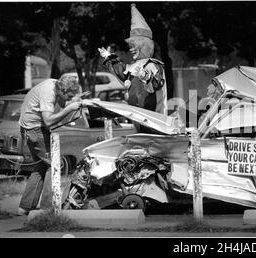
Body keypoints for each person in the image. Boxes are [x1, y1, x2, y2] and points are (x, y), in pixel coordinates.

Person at [17, 76, 82, 215]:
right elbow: (48, 121)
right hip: (35, 129)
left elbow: (61, 103)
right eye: (68, 96)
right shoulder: (48, 93)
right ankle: (47, 209)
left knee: (40, 167)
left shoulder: (55, 85)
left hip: (30, 128)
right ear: (63, 90)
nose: (68, 99)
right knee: (54, 166)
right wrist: (70, 108)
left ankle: (24, 208)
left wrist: (75, 99)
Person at [98, 3, 167, 116]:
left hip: (154, 119)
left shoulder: (153, 65)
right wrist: (108, 56)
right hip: (136, 117)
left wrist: (145, 76)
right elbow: (121, 71)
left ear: (144, 46)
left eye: (135, 46)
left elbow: (157, 83)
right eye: (131, 46)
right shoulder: (133, 65)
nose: (131, 50)